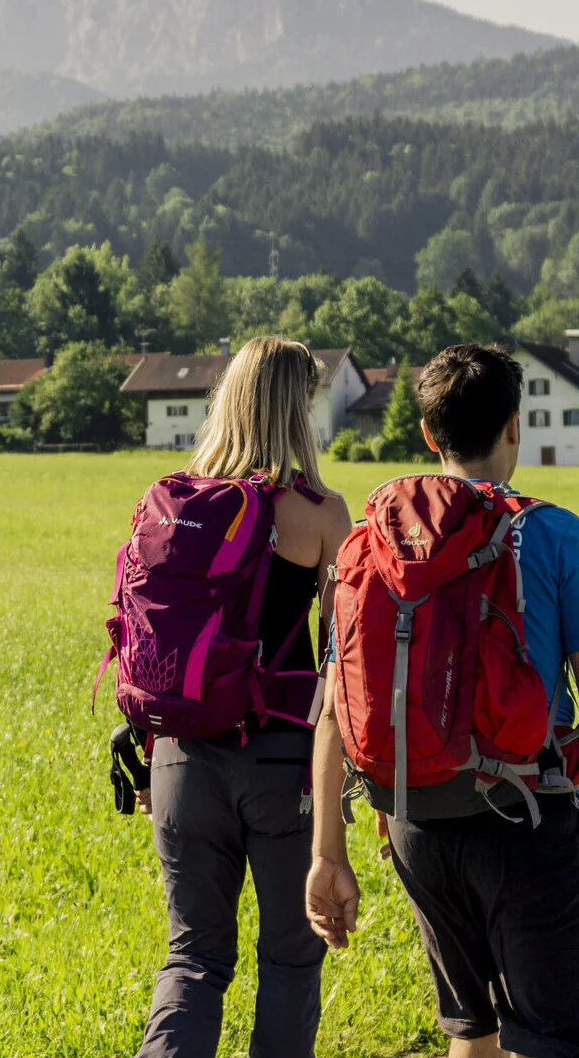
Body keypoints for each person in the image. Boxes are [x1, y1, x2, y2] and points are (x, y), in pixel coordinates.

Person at [306, 343, 579, 1058]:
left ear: (430, 435)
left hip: (412, 821)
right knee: (549, 1035)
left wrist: (326, 854)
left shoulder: (374, 542)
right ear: (514, 426)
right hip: (525, 814)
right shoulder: (552, 533)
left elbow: (335, 706)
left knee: (471, 1027)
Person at [132, 338, 351, 1058]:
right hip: (282, 758)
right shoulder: (320, 514)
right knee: (289, 957)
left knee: (192, 958)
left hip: (180, 756)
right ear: (299, 410)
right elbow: (342, 657)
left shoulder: (172, 503)